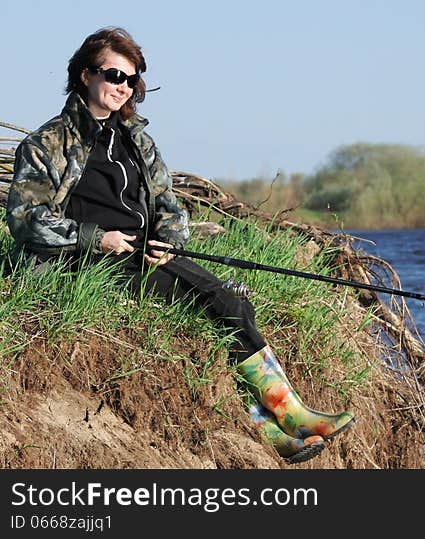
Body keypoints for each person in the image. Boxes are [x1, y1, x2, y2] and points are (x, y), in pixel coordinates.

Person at [5, 26, 353, 464]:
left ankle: (280, 426)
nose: (122, 87)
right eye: (114, 75)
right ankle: (289, 420)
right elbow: (24, 221)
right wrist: (98, 239)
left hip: (145, 257)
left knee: (227, 300)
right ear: (84, 75)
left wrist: (170, 239)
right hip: (85, 264)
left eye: (131, 79)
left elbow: (170, 205)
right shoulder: (47, 143)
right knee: (208, 305)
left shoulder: (137, 139)